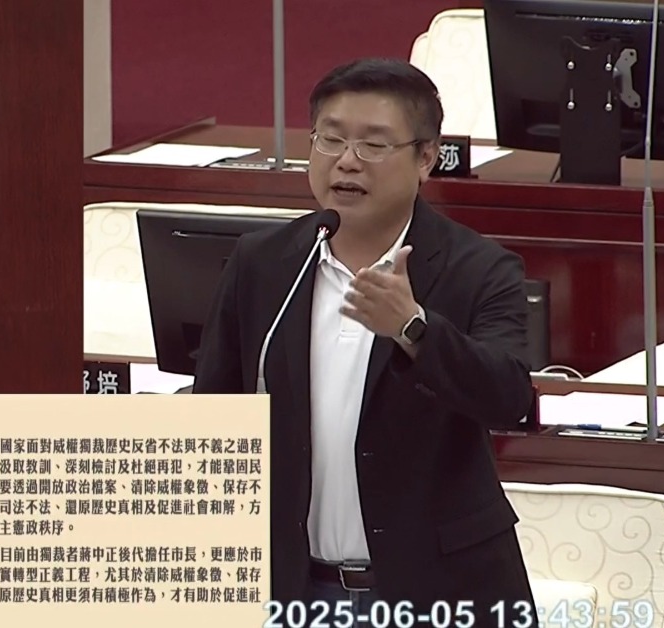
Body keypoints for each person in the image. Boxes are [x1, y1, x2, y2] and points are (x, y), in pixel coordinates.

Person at [193, 58, 537, 624]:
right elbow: (215, 411)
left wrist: (413, 328)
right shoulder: (264, 263)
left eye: (373, 145)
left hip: (435, 593)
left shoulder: (479, 269)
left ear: (425, 158)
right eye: (330, 138)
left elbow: (508, 398)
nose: (346, 161)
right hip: (295, 591)